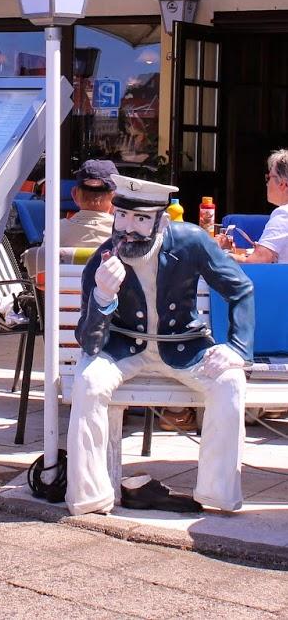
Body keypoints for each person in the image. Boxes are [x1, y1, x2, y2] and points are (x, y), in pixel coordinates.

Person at [66, 175, 254, 516]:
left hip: (184, 346)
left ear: (161, 221)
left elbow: (240, 289)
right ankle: (90, 495)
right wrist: (102, 297)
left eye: (140, 219)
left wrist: (237, 348)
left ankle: (217, 494)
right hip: (124, 348)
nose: (128, 228)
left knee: (229, 382)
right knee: (89, 382)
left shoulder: (191, 242)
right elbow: (90, 344)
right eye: (121, 216)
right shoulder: (101, 260)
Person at [21, 159, 117, 276]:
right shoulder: (121, 234)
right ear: (115, 198)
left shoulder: (55, 231)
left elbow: (43, 276)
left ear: (74, 194)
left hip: (60, 293)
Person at [216, 149, 288, 263]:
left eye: (269, 178)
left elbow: (256, 263)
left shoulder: (283, 214)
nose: (267, 183)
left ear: (283, 184)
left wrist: (220, 254)